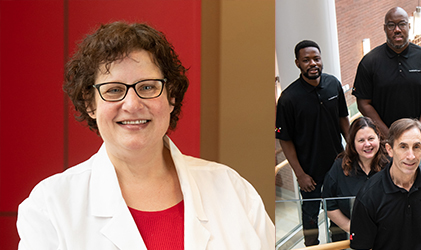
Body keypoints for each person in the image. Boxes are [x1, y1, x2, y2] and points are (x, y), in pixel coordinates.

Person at [16, 22, 275, 249]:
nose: (132, 104)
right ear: (90, 104)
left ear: (171, 95)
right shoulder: (50, 206)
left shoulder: (232, 189)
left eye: (147, 87)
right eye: (114, 90)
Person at [276, 39, 350, 246]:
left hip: (338, 167)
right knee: (310, 220)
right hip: (310, 174)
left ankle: (337, 246)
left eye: (316, 58)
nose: (312, 63)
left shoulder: (333, 84)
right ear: (297, 63)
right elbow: (285, 140)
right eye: (306, 60)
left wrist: (351, 151)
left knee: (339, 218)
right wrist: (300, 174)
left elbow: (343, 120)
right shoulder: (288, 99)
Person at [349, 118, 421, 250]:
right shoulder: (369, 195)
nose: (410, 156)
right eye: (403, 147)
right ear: (390, 149)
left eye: (416, 147)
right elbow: (363, 246)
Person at [353, 7, 421, 135]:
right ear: (384, 28)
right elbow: (363, 103)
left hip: (415, 138)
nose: (397, 30)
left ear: (409, 26)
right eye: (391, 25)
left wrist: (418, 131)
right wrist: (388, 135)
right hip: (383, 140)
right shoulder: (369, 62)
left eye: (402, 24)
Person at [322, 116, 390, 241]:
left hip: (385, 238)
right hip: (348, 239)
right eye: (361, 140)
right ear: (353, 142)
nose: (367, 144)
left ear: (379, 138)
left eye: (371, 138)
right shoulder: (339, 167)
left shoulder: (392, 165)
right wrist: (353, 229)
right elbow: (329, 204)